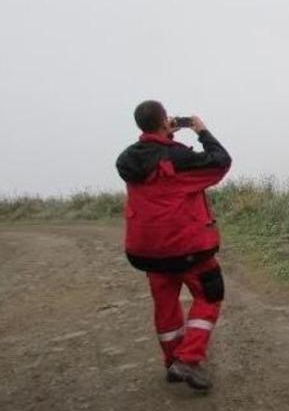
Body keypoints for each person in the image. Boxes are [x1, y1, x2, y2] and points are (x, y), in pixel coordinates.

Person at [115, 100, 232, 391]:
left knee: (166, 306)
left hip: (148, 251)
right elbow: (220, 161)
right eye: (167, 118)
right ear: (165, 121)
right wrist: (201, 130)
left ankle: (172, 362)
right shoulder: (178, 159)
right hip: (187, 249)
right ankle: (188, 360)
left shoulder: (129, 160)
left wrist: (165, 136)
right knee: (210, 295)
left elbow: (154, 158)